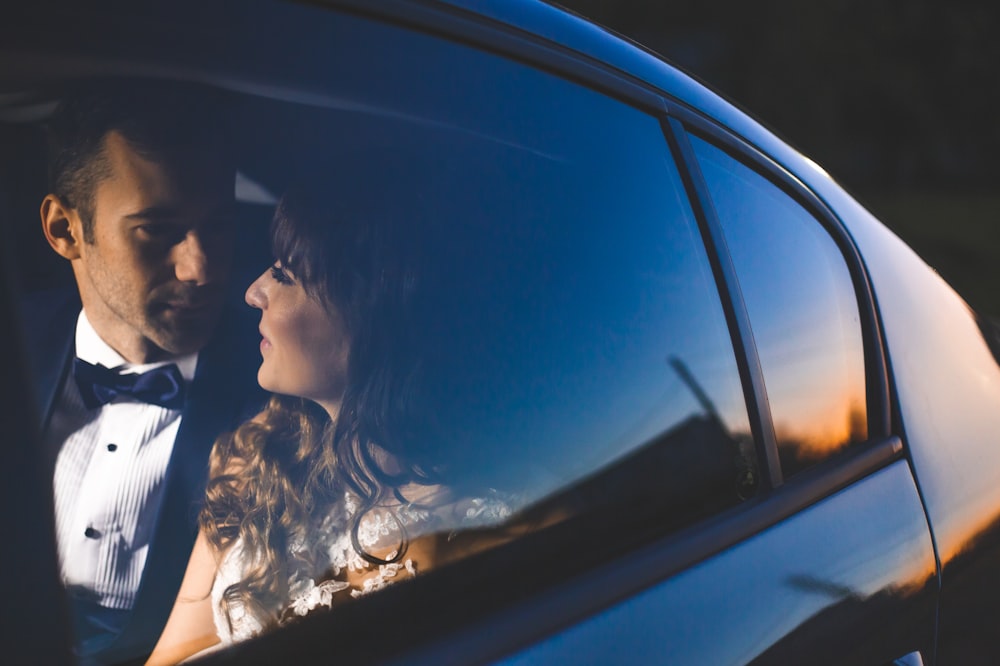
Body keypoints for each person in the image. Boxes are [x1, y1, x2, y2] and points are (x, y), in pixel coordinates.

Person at [145, 188, 516, 664]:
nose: (253, 291)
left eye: (284, 275)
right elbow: (170, 657)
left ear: (369, 313)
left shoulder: (484, 526)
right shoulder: (257, 456)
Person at [26, 82, 264, 664]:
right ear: (65, 231)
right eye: (156, 231)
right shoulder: (16, 339)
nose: (202, 268)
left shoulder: (277, 386)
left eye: (220, 225)